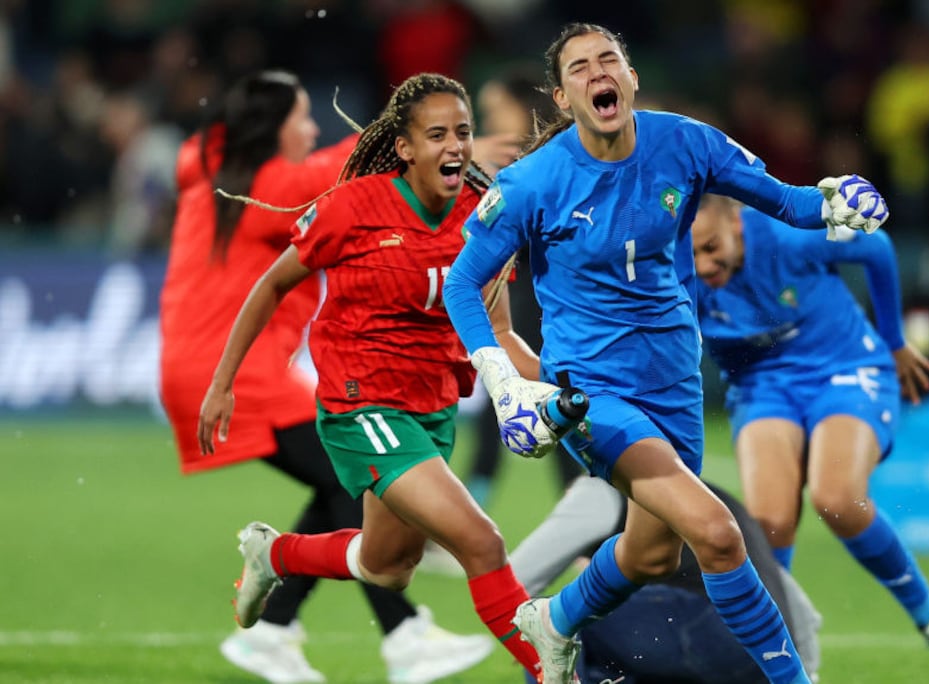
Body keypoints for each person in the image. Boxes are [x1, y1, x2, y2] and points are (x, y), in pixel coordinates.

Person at [441, 22, 887, 684]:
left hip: (674, 382)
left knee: (650, 554)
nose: (598, 72)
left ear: (631, 77)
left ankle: (555, 620)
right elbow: (461, 284)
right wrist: (504, 383)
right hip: (592, 391)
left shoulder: (686, 142)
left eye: (609, 60)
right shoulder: (534, 182)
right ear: (562, 98)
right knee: (718, 535)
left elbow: (788, 203)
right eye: (579, 67)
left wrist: (835, 201)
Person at [194, 72, 546, 682]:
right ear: (404, 148)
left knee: (388, 567)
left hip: (432, 406)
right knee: (482, 543)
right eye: (437, 134)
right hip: (363, 404)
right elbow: (272, 284)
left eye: (463, 132)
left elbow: (500, 333)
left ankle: (274, 554)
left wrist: (564, 383)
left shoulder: (482, 215)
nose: (456, 146)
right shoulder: (355, 207)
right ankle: (553, 671)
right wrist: (222, 382)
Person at [689, 193, 929, 684]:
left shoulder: (785, 236)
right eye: (692, 254)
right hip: (763, 388)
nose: (704, 266)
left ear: (737, 224)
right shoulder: (675, 272)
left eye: (711, 247)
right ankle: (784, 662)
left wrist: (894, 340)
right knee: (768, 526)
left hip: (844, 369)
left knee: (838, 500)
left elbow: (877, 247)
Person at [512, 476, 823, 684]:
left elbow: (518, 578)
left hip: (701, 631)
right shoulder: (715, 501)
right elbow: (803, 611)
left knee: (556, 620)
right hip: (764, 655)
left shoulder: (601, 487)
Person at [464, 67, 582, 510]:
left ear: (523, 107)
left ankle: (583, 516)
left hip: (540, 299)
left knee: (546, 396)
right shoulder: (534, 158)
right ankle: (583, 514)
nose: (490, 119)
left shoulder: (538, 160)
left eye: (497, 108)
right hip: (527, 294)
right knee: (528, 399)